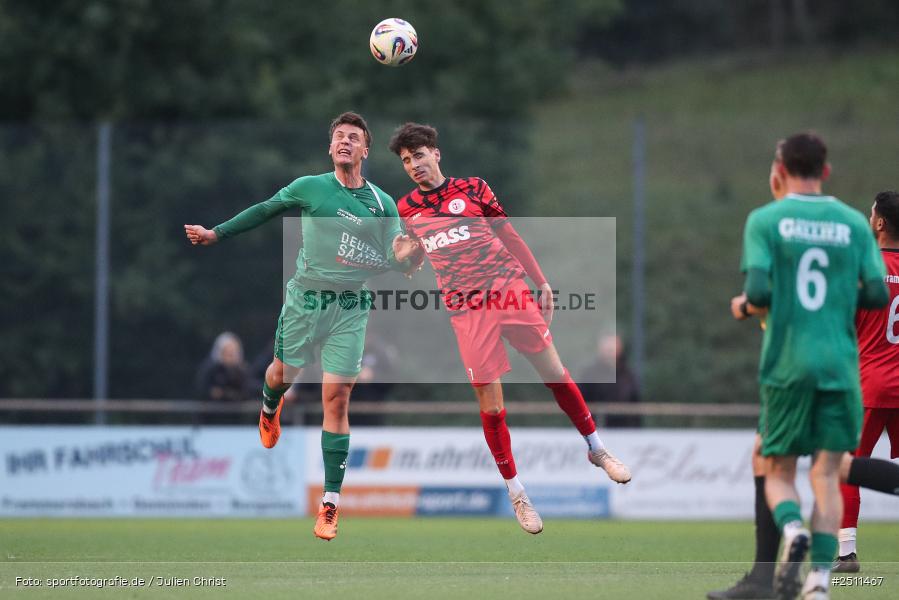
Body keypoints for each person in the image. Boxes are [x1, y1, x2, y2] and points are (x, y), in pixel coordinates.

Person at [388, 122, 631, 535]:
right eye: (406, 160)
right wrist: (404, 257)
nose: (414, 164)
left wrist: (540, 282)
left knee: (555, 374)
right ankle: (517, 493)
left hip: (507, 289)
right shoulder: (406, 208)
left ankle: (597, 449)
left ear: (436, 153)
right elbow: (409, 263)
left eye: (419, 154)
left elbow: (509, 234)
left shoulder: (474, 188)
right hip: (467, 309)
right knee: (492, 404)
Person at [184, 112, 418, 541]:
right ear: (330, 149)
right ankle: (270, 407)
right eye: (339, 138)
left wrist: (408, 257)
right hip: (306, 300)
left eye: (354, 138)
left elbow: (393, 255)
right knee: (279, 376)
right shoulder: (310, 187)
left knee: (338, 397)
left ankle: (330, 503)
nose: (345, 142)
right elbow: (264, 210)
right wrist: (217, 233)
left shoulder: (383, 204)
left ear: (366, 150)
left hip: (350, 305)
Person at [710, 153, 899, 600]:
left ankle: (823, 547)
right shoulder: (848, 227)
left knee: (808, 467)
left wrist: (754, 305)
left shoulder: (772, 223)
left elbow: (763, 293)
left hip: (850, 375)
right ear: (826, 171)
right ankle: (814, 580)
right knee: (834, 466)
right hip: (856, 375)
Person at [836, 190, 899, 572]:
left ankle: (846, 554)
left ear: (878, 223)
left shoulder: (864, 268)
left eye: (871, 212)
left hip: (870, 384)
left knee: (846, 464)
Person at [577, 334, 643, 428]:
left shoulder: (628, 375)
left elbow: (635, 403)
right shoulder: (590, 374)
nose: (609, 352)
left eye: (611, 348)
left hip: (624, 429)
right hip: (595, 428)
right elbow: (582, 400)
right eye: (607, 348)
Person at [195, 331, 250, 403]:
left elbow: (246, 393)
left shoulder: (242, 371)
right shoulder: (210, 370)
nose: (230, 357)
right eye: (227, 352)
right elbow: (201, 390)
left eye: (233, 353)